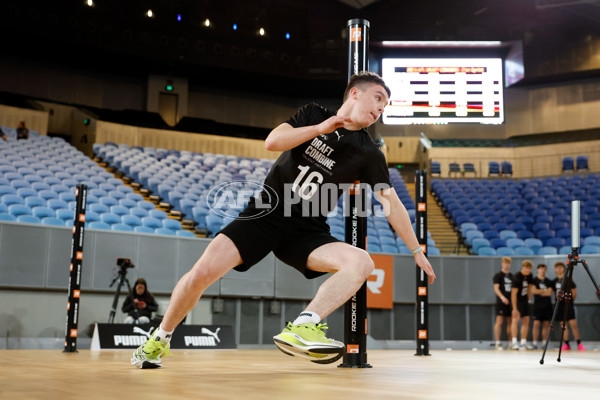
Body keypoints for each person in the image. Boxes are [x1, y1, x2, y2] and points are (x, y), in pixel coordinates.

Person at [130, 72, 436, 369]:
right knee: (200, 274)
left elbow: (390, 202)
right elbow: (273, 142)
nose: (381, 109)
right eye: (378, 98)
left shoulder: (369, 153)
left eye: (386, 106)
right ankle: (160, 337)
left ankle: (304, 324)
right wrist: (320, 128)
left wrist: (417, 251)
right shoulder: (313, 113)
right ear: (355, 93)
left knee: (362, 262)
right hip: (265, 214)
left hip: (307, 231)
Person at [552, 261, 586, 351]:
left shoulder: (568, 279)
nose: (559, 269)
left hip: (568, 305)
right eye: (557, 267)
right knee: (563, 325)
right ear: (555, 269)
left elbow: (574, 293)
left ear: (564, 269)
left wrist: (569, 302)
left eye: (560, 267)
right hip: (559, 306)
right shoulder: (554, 281)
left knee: (573, 324)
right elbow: (552, 293)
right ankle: (566, 344)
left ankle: (579, 343)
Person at [510, 259, 533, 350]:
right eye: (526, 268)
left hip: (525, 301)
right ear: (523, 267)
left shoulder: (530, 276)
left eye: (530, 269)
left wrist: (528, 299)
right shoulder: (517, 276)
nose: (528, 270)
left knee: (526, 321)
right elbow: (513, 293)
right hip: (517, 301)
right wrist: (514, 308)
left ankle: (523, 342)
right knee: (515, 320)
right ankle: (514, 342)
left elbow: (530, 288)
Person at [530, 263, 553, 349]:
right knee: (536, 324)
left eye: (544, 269)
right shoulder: (534, 280)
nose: (542, 271)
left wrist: (539, 291)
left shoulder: (549, 281)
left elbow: (549, 293)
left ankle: (544, 343)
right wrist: (544, 290)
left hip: (547, 306)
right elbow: (533, 291)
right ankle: (535, 343)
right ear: (537, 270)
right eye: (540, 269)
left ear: (546, 270)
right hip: (537, 306)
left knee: (546, 325)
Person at [492, 256, 513, 350]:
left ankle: (511, 343)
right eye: (505, 263)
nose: (506, 264)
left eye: (508, 263)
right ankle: (498, 343)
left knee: (511, 322)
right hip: (501, 301)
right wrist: (502, 297)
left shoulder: (512, 276)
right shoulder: (498, 275)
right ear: (502, 263)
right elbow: (496, 288)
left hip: (511, 302)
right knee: (499, 321)